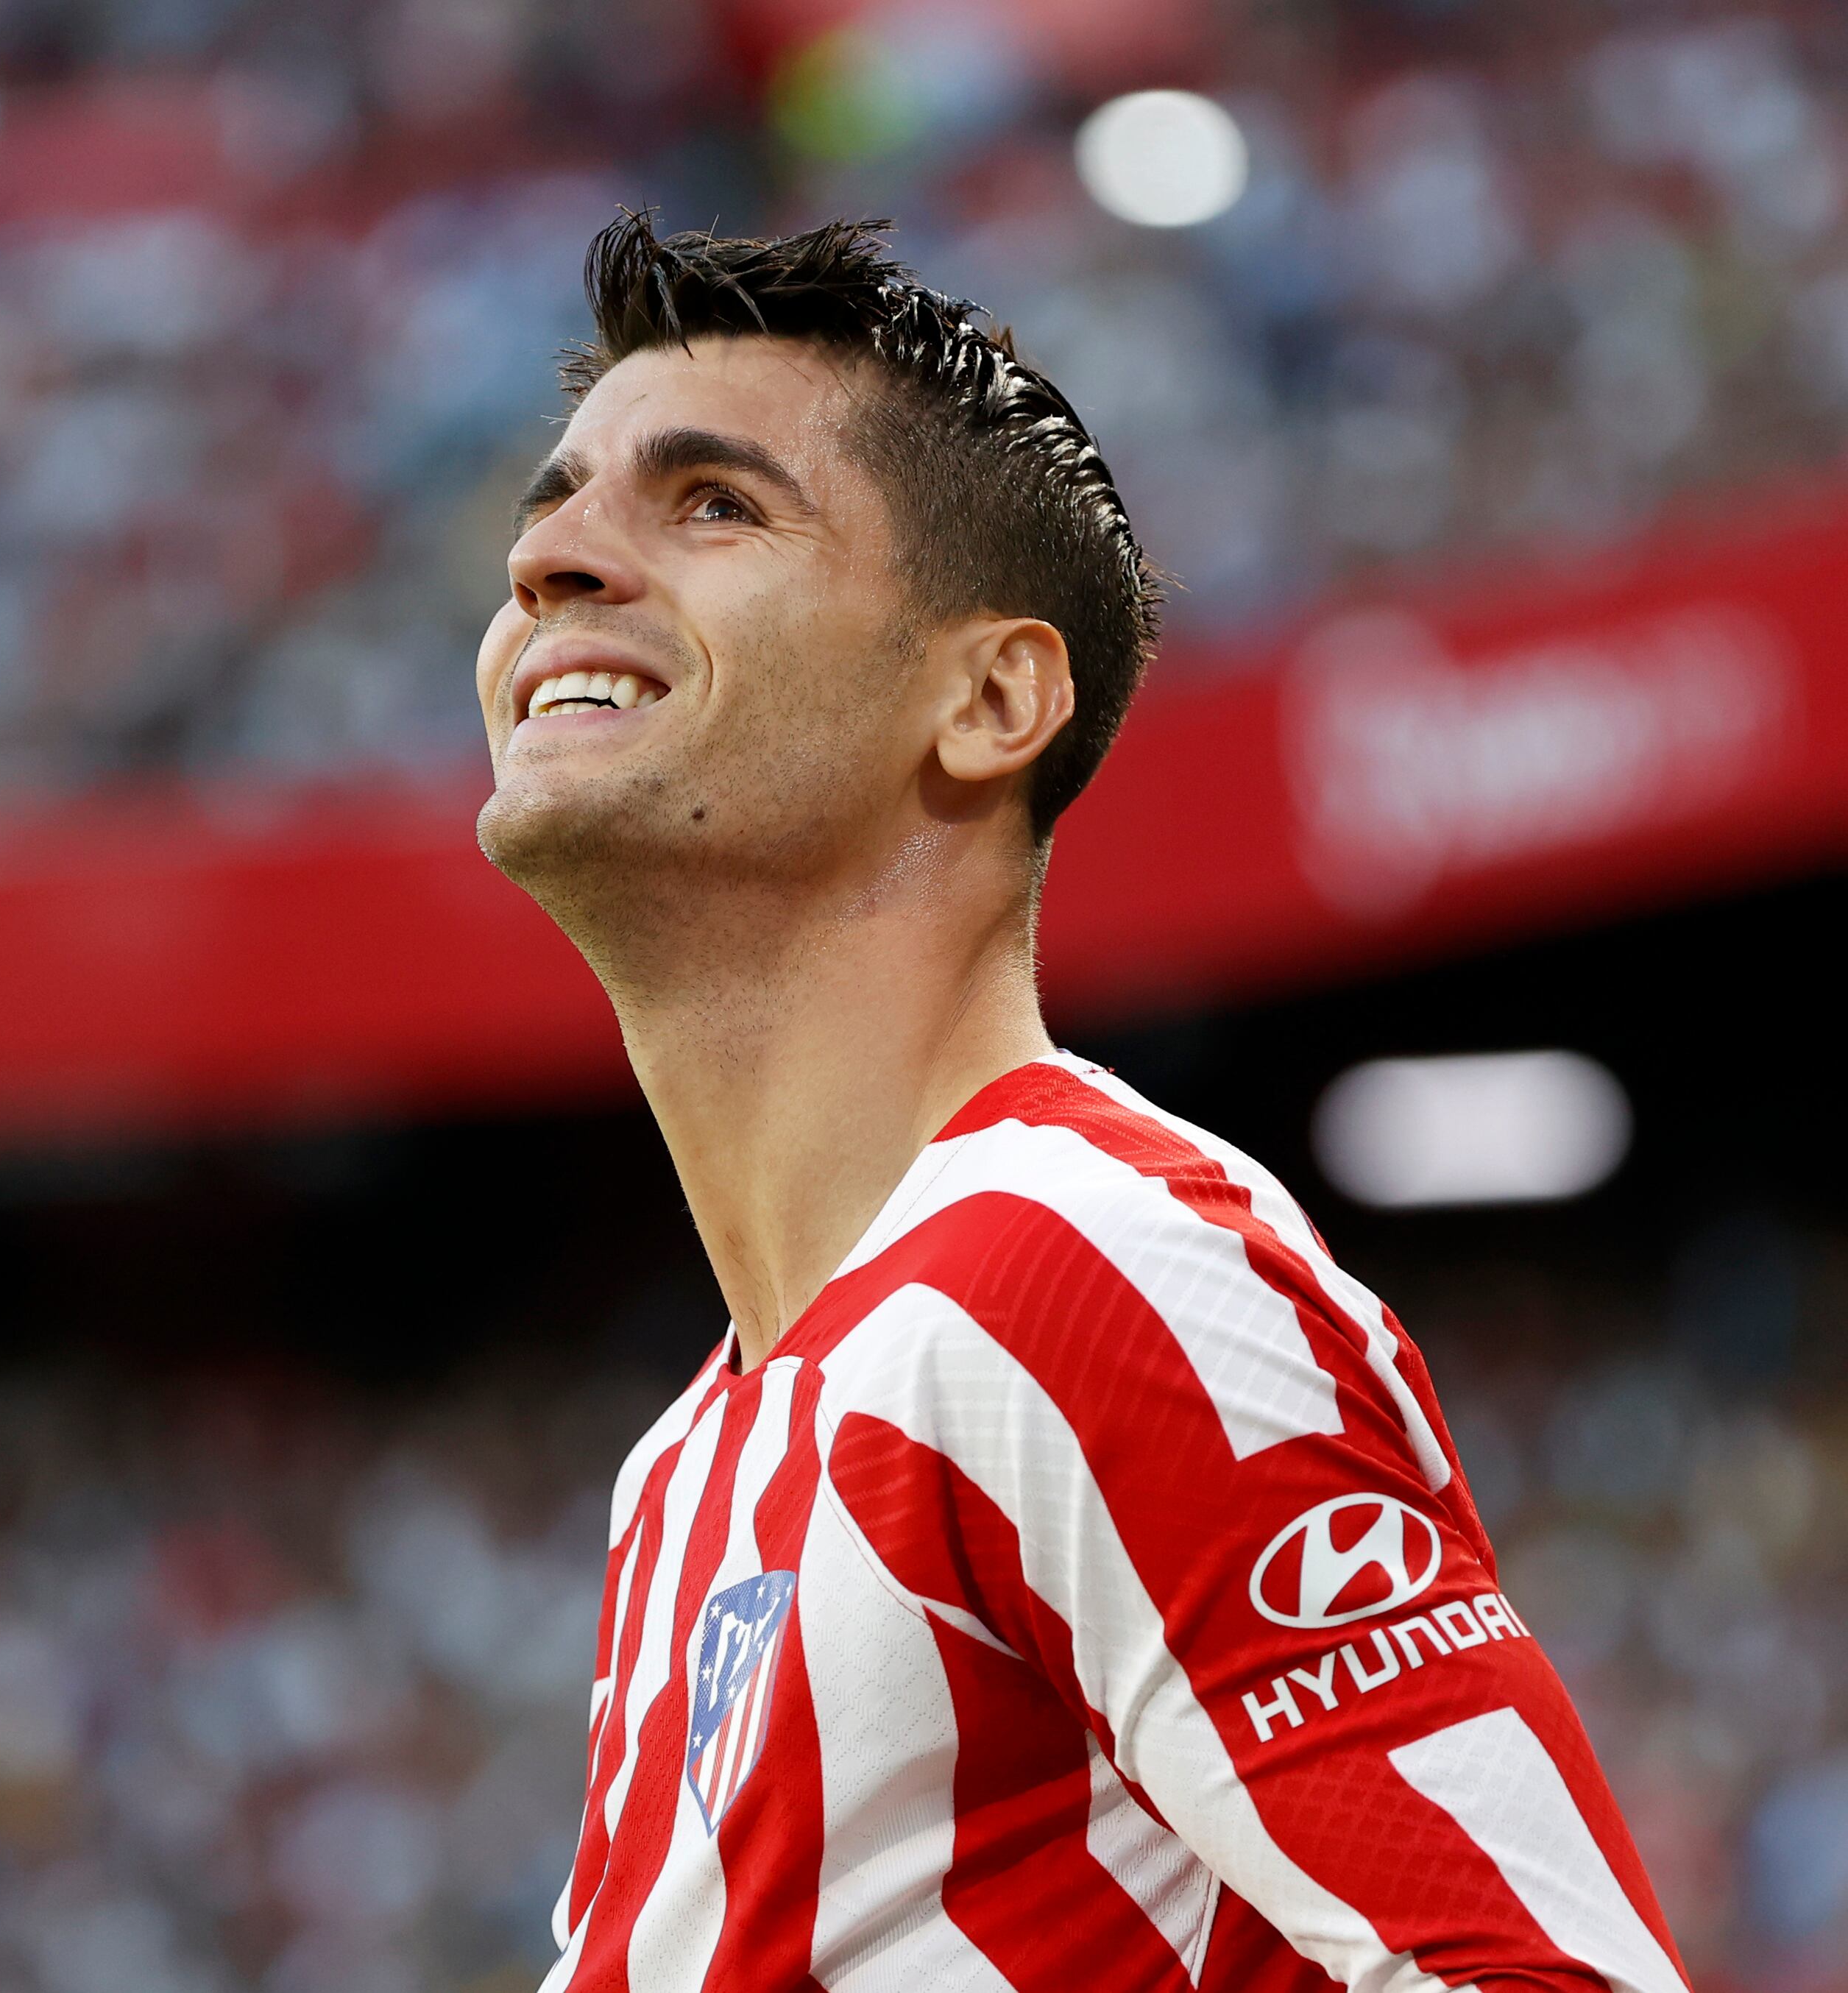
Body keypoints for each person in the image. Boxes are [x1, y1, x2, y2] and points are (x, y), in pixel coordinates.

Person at [476, 213, 1685, 1993]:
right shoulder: (685, 1468)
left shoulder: (1089, 1270)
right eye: (551, 500)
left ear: (988, 696)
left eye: (713, 502)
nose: (553, 564)